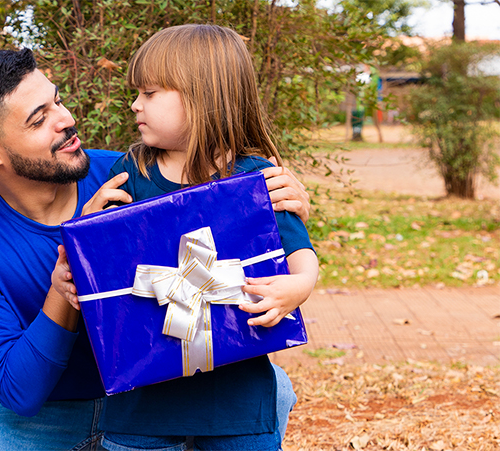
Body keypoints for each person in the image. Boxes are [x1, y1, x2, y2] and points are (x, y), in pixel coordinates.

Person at [0, 48, 311, 450]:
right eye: (39, 120)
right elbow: (19, 392)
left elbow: (231, 222)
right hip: (46, 414)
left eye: (57, 100)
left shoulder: (136, 177)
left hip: (155, 393)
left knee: (270, 390)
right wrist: (70, 278)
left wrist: (278, 202)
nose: (67, 120)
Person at [52, 25, 318, 451]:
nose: (135, 104)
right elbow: (105, 264)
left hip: (237, 403)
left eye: (150, 93)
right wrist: (88, 228)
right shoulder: (133, 172)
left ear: (201, 97)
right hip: (140, 406)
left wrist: (298, 286)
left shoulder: (255, 178)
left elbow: (300, 254)